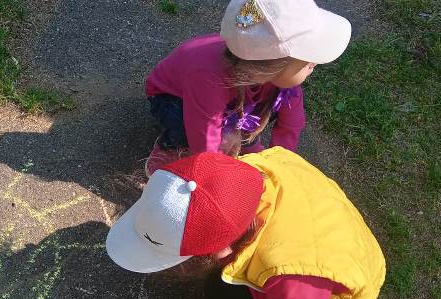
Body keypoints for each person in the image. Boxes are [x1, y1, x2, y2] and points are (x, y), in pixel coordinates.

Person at [106, 149, 386, 299]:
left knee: (222, 290)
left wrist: (248, 282)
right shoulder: (242, 173)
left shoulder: (286, 271)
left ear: (222, 249)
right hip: (340, 240)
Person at [144, 0, 352, 175]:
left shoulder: (278, 80)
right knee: (186, 127)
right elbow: (205, 137)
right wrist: (215, 175)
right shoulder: (208, 79)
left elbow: (291, 124)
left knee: (258, 111)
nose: (314, 63)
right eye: (307, 62)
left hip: (222, 97)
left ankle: (241, 139)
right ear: (269, 69)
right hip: (172, 97)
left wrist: (276, 165)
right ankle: (169, 147)